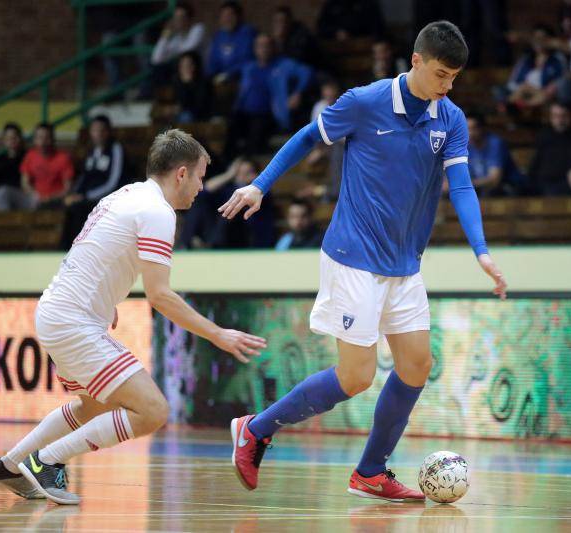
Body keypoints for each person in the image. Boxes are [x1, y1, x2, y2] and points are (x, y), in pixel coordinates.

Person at [218, 21, 507, 502]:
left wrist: (482, 251)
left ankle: (371, 472)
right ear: (415, 61)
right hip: (353, 257)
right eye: (440, 75)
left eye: (453, 78)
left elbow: (461, 186)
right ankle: (255, 428)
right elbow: (307, 137)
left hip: (404, 264)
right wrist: (259, 185)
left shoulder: (450, 117)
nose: (447, 86)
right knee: (356, 377)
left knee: (416, 366)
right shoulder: (364, 101)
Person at [0, 129, 266, 505]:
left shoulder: (128, 193)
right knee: (152, 410)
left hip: (58, 311)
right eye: (198, 175)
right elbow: (160, 295)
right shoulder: (158, 212)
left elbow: (95, 248)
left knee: (92, 405)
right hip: (72, 321)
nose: (201, 186)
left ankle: (10, 464)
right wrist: (218, 334)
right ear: (180, 173)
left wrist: (105, 299)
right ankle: (47, 460)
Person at [224, 34, 313, 159]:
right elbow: (228, 72)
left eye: (267, 45)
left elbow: (306, 72)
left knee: (255, 134)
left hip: (268, 113)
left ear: (273, 48)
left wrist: (298, 93)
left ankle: (250, 168)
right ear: (254, 49)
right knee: (230, 130)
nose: (263, 49)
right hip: (243, 112)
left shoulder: (283, 65)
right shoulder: (249, 67)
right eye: (260, 46)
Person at [60, 116, 128, 249]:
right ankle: (65, 250)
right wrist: (74, 194)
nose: (98, 134)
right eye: (95, 130)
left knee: (78, 209)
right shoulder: (91, 152)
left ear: (108, 132)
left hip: (108, 198)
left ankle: (78, 249)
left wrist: (85, 196)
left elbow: (113, 182)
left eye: (102, 130)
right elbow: (84, 177)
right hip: (87, 197)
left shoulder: (116, 149)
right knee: (68, 207)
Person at [463, 112, 526, 196]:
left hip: (509, 186)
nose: (470, 134)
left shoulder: (495, 143)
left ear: (483, 129)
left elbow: (494, 180)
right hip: (480, 188)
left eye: (474, 129)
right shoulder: (465, 146)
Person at [150, 2, 206, 88]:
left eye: (181, 17)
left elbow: (189, 49)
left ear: (189, 19)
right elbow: (156, 58)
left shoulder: (198, 29)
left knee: (181, 63)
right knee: (158, 68)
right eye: (176, 18)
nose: (178, 21)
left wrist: (174, 53)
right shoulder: (176, 38)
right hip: (181, 71)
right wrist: (165, 36)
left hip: (198, 71)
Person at [528, 102, 571, 195]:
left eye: (564, 116)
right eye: (555, 116)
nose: (560, 120)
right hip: (541, 182)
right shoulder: (544, 136)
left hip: (565, 184)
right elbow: (535, 163)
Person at [19, 123, 75, 209]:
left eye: (47, 138)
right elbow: (25, 183)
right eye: (39, 137)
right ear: (34, 139)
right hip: (33, 199)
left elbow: (68, 188)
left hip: (56, 201)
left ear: (52, 139)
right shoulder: (30, 156)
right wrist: (35, 195)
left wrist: (50, 198)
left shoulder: (63, 158)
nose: (43, 141)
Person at [204, 1, 256, 80]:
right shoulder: (218, 36)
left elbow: (247, 61)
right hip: (220, 80)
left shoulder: (248, 33)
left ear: (239, 17)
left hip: (241, 78)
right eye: (224, 16)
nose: (227, 19)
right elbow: (213, 61)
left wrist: (228, 74)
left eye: (230, 15)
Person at [0, 123, 28, 211]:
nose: (12, 140)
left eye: (14, 137)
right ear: (4, 140)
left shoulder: (28, 158)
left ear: (20, 138)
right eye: (8, 138)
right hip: (1, 199)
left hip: (22, 197)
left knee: (4, 191)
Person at [172, 51, 212, 123]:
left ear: (195, 66)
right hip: (180, 115)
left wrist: (187, 85)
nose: (186, 69)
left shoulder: (203, 82)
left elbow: (199, 106)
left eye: (188, 65)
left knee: (186, 117)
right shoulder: (177, 81)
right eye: (182, 66)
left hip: (200, 116)